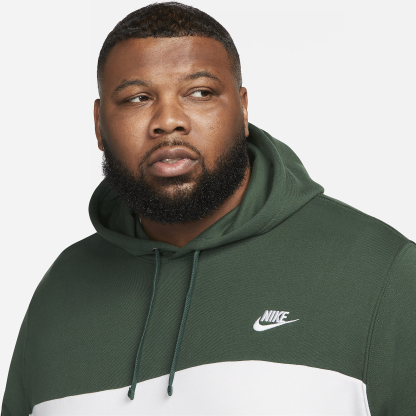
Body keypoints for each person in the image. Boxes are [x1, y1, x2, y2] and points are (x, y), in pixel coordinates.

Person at [2, 2, 415, 415]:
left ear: (243, 108)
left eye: (200, 93)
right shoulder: (61, 291)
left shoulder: (381, 272)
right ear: (98, 124)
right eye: (137, 98)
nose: (168, 121)